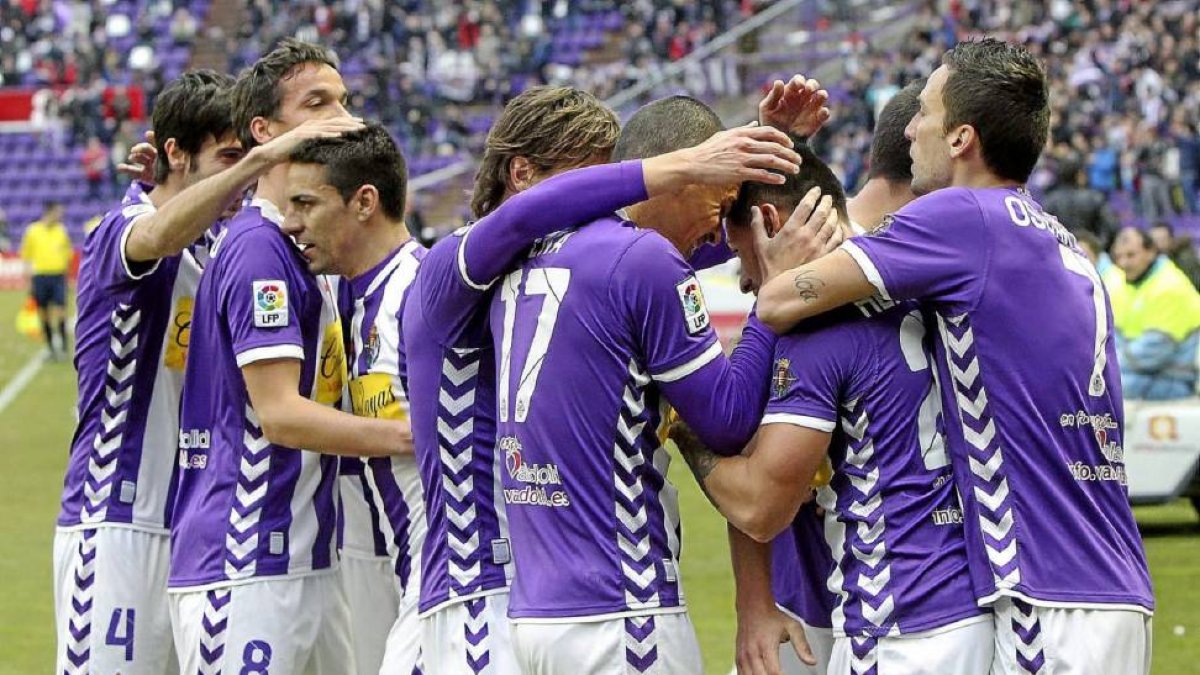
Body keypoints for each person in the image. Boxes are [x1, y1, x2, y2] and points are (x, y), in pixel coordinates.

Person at [756, 39, 1154, 674]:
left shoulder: (961, 215)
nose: (910, 128)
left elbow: (779, 298)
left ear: (962, 137)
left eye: (925, 114)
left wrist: (777, 261)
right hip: (1109, 579)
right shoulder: (1054, 237)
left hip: (1043, 588)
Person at [402, 85, 811, 674]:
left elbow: (668, 252)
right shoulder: (454, 265)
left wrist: (745, 155)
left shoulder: (554, 261)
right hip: (491, 591)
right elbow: (618, 247)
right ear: (524, 175)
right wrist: (688, 164)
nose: (616, 200)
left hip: (533, 597)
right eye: (605, 181)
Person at [53, 69, 360, 675]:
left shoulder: (223, 246)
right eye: (228, 158)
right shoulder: (124, 232)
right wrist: (261, 159)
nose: (244, 175)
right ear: (174, 153)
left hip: (201, 526)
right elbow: (158, 231)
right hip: (121, 520)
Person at [674, 147, 990, 675]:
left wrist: (685, 428)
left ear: (770, 223)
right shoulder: (924, 288)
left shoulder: (817, 329)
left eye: (737, 253)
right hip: (973, 602)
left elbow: (760, 507)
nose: (745, 279)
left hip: (894, 616)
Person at [167, 40, 400, 675]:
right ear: (263, 132)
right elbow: (281, 416)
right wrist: (412, 436)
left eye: (345, 101)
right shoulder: (260, 249)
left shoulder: (304, 246)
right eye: (318, 103)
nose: (343, 117)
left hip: (307, 556)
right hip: (246, 563)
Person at [283, 123, 426, 673]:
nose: (292, 223)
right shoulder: (348, 295)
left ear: (364, 201)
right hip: (387, 563)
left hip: (449, 577)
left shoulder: (419, 294)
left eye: (306, 204)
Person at [1109, 226, 1200, 400]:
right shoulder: (1122, 283)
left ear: (1150, 252)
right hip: (1141, 372)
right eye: (1118, 256)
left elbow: (1152, 353)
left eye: (1131, 255)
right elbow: (1112, 336)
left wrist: (1108, 366)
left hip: (1175, 378)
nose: (1124, 263)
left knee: (1105, 390)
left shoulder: (1169, 286)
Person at [20, 201, 72, 359]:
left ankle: (63, 347)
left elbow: (67, 253)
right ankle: (50, 348)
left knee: (61, 312)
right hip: (40, 277)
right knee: (44, 314)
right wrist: (28, 281)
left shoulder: (61, 231)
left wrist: (66, 276)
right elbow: (27, 257)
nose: (60, 216)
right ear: (49, 213)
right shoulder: (32, 231)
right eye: (57, 212)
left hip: (57, 276)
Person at [1041, 158, 1120, 250]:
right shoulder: (1094, 197)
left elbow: (1042, 232)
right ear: (1079, 175)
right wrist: (1097, 249)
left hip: (1061, 254)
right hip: (1088, 255)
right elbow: (1111, 227)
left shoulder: (1051, 200)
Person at [1148, 220, 1200, 292]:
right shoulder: (1148, 260)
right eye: (1154, 240)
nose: (1158, 244)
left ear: (1171, 240)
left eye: (1162, 240)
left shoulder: (1185, 259)